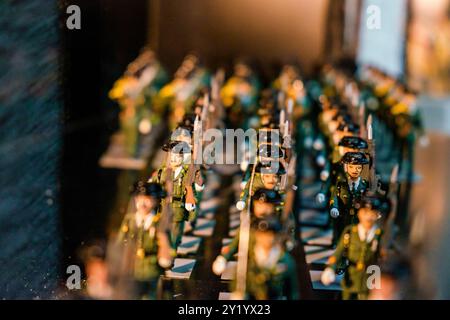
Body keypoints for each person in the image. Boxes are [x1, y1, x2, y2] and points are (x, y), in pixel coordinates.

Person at [321, 195, 384, 300]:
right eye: (365, 213)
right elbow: (338, 252)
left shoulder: (379, 235)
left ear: (377, 215)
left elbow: (383, 258)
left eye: (372, 214)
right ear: (359, 213)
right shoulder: (350, 232)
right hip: (351, 276)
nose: (368, 217)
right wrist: (330, 268)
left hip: (371, 276)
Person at [117, 181, 170, 299]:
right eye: (139, 199)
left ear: (155, 201)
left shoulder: (158, 223)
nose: (143, 204)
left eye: (148, 200)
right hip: (130, 268)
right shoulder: (129, 220)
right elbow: (120, 243)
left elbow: (166, 250)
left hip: (150, 270)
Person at [329, 151, 369, 245]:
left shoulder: (364, 185)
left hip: (357, 218)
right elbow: (334, 197)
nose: (355, 170)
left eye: (358, 167)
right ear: (346, 167)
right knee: (341, 237)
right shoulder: (341, 183)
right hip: (343, 216)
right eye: (351, 167)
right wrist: (334, 207)